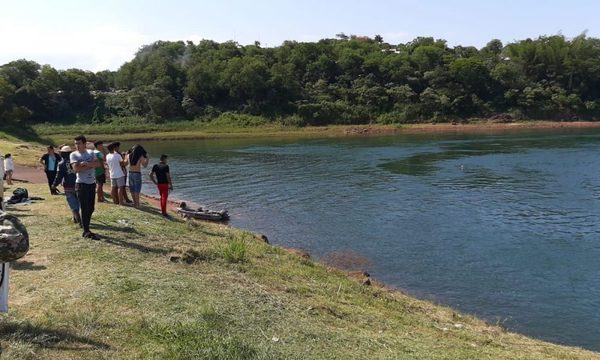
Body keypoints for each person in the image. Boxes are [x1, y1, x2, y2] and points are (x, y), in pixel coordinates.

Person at [70, 135, 101, 240]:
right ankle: (86, 231)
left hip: (91, 183)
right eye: (75, 143)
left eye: (79, 143)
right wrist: (89, 165)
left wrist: (86, 164)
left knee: (91, 208)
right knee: (84, 207)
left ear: (84, 143)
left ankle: (86, 226)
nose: (77, 146)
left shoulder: (91, 152)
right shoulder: (74, 154)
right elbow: (76, 168)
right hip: (81, 184)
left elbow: (98, 164)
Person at [52, 145, 81, 226]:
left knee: (72, 202)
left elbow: (59, 176)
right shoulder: (76, 161)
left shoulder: (61, 164)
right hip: (78, 184)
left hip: (68, 186)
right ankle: (76, 217)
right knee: (78, 201)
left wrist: (54, 185)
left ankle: (77, 217)